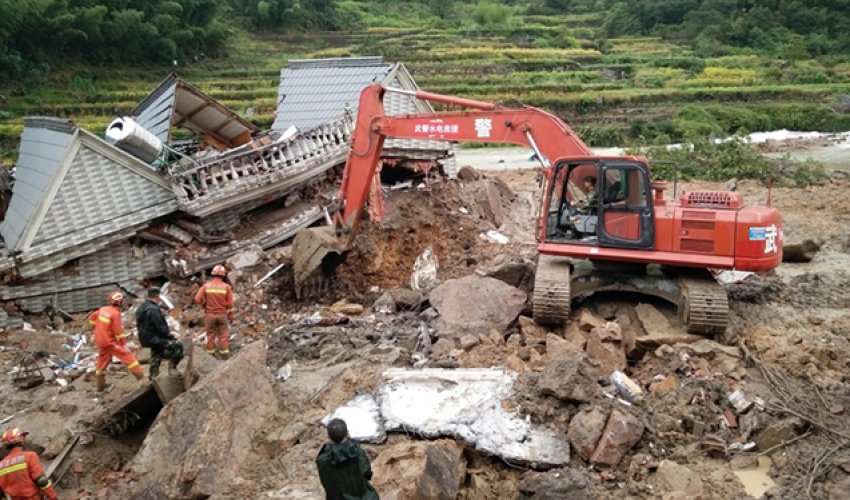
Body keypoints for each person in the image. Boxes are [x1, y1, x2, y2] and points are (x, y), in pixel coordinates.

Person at [88, 291, 144, 391]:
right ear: (119, 302)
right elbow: (119, 332)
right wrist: (123, 345)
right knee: (128, 356)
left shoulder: (103, 309)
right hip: (109, 342)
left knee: (102, 361)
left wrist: (95, 328)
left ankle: (100, 385)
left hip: (100, 340)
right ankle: (141, 377)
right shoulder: (115, 314)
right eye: (122, 301)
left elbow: (91, 318)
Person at [316, 419, 379, 500]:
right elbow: (367, 474)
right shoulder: (356, 451)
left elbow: (327, 484)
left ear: (328, 436)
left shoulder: (322, 460)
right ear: (347, 433)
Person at [136, 287, 184, 380]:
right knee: (178, 345)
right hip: (154, 338)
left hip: (146, 338)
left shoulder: (141, 307)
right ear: (157, 296)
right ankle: (172, 368)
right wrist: (170, 336)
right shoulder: (153, 309)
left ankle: (153, 375)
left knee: (156, 352)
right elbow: (160, 327)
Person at [0, 428, 58, 500]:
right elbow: (42, 480)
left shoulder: (1, 465)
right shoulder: (30, 456)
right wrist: (53, 497)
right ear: (21, 440)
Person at [194, 265, 235, 359]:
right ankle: (224, 356)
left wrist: (204, 304)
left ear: (213, 274)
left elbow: (197, 299)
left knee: (210, 334)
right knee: (223, 334)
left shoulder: (206, 286)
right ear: (223, 275)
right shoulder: (226, 287)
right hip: (222, 315)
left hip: (209, 314)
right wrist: (231, 315)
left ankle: (210, 356)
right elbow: (230, 304)